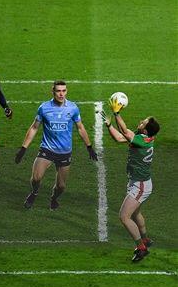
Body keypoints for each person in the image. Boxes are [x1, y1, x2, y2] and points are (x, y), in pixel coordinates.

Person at [15, 80, 98, 210]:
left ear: (66, 91)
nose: (61, 94)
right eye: (58, 91)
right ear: (53, 91)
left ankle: (54, 198)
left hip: (65, 152)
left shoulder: (73, 108)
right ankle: (34, 192)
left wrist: (89, 147)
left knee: (61, 186)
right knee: (36, 178)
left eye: (63, 91)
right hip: (47, 149)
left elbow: (80, 128)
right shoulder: (44, 108)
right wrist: (23, 149)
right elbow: (34, 128)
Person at [101, 98, 160, 262]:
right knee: (135, 214)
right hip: (139, 182)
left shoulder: (143, 141)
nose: (140, 122)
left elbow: (125, 132)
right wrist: (109, 125)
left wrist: (116, 113)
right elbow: (121, 138)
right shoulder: (144, 137)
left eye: (143, 122)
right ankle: (145, 240)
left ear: (146, 131)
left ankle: (141, 247)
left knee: (124, 216)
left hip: (140, 185)